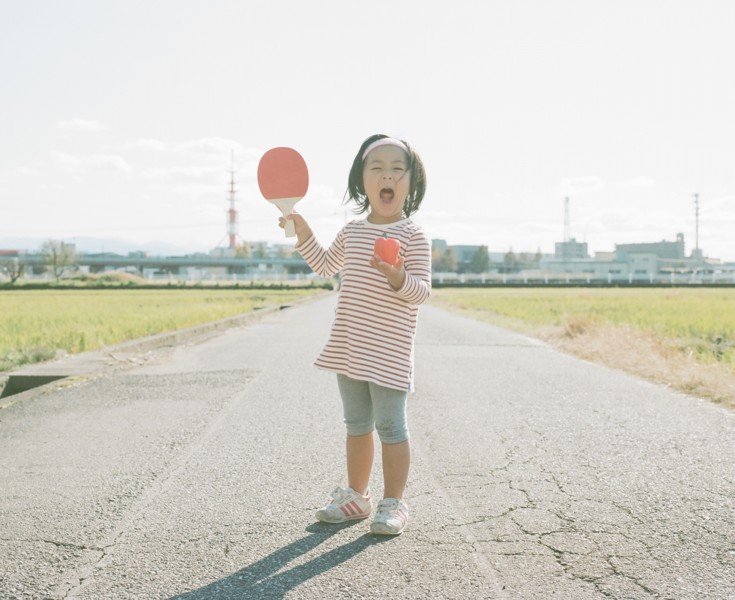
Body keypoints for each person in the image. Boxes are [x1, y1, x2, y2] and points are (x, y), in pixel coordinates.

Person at [279, 134, 431, 535]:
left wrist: (398, 275)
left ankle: (394, 503)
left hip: (390, 351)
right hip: (349, 346)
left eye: (398, 169)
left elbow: (421, 293)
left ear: (411, 182)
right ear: (361, 181)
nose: (388, 175)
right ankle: (356, 497)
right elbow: (326, 266)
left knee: (392, 427)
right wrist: (303, 230)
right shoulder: (352, 231)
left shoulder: (414, 236)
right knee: (357, 424)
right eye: (377, 167)